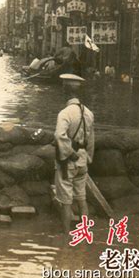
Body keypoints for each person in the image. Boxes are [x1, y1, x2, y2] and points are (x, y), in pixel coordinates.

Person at [54, 73, 95, 236]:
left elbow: (59, 135)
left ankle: (66, 236)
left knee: (66, 201)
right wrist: (88, 157)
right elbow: (91, 138)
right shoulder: (89, 113)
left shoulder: (65, 113)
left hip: (68, 161)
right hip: (83, 159)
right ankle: (85, 233)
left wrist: (69, 153)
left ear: (66, 91)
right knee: (81, 198)